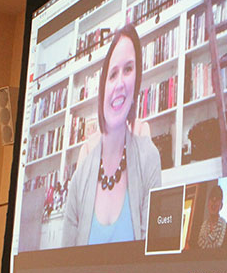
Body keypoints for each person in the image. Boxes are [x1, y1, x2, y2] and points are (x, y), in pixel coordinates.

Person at [63, 24, 161, 246]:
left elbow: (152, 255)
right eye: (113, 74)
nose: (119, 84)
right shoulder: (80, 178)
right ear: (102, 88)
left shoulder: (149, 158)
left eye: (128, 70)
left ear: (136, 85)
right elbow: (65, 261)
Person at [196, 184, 227, 249]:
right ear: (208, 204)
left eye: (217, 200)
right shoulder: (199, 229)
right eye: (211, 199)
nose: (213, 202)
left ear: (221, 205)